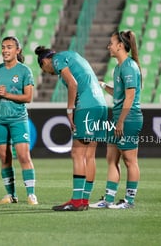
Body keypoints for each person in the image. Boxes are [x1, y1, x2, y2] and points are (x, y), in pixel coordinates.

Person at [34, 46, 108, 211]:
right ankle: (83, 200)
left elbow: (73, 84)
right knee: (89, 155)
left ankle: (76, 201)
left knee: (77, 153)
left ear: (45, 61)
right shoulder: (74, 55)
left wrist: (69, 110)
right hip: (101, 105)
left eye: (45, 70)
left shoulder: (58, 59)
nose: (49, 73)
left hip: (87, 106)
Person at [90, 30, 143, 209]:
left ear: (120, 45)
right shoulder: (119, 67)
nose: (109, 46)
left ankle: (129, 201)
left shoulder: (129, 66)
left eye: (111, 43)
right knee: (111, 158)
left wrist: (120, 122)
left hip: (128, 118)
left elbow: (130, 97)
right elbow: (119, 93)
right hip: (118, 117)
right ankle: (108, 199)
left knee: (130, 160)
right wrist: (104, 86)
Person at [0, 36, 38, 205]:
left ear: (18, 50)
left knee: (23, 156)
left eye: (9, 47)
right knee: (5, 158)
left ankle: (31, 194)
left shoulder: (24, 71)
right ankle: (11, 195)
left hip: (18, 119)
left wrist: (7, 94)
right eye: (3, 47)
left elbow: (28, 97)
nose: (5, 50)